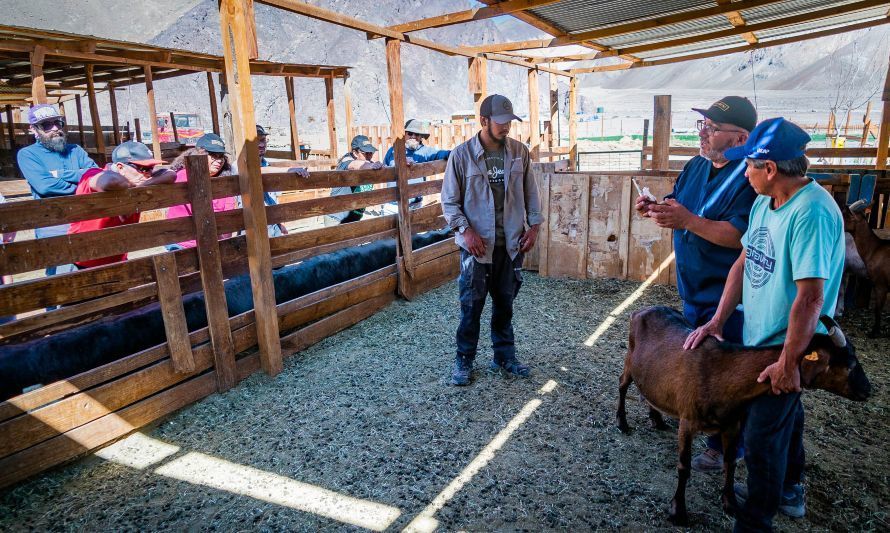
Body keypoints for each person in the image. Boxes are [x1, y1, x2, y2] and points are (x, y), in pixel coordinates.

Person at [685, 117, 844, 531]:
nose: (745, 172)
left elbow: (811, 296)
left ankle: (756, 520)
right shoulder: (762, 203)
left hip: (796, 343)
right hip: (761, 339)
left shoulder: (811, 213)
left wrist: (790, 362)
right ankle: (789, 490)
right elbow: (743, 261)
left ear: (770, 169)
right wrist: (717, 320)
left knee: (760, 436)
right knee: (783, 418)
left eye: (749, 165)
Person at [636, 96, 758, 472]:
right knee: (702, 365)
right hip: (693, 289)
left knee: (728, 372)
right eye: (702, 125)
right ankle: (707, 427)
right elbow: (680, 202)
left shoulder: (751, 178)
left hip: (728, 295)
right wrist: (658, 207)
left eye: (712, 127)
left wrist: (687, 221)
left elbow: (740, 235)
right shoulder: (695, 166)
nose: (702, 133)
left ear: (740, 139)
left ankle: (725, 448)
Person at [441, 94, 543, 386]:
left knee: (505, 303)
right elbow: (449, 202)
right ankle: (464, 360)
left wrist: (533, 227)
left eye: (509, 122)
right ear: (483, 121)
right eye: (500, 122)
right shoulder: (461, 155)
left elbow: (532, 193)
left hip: (510, 245)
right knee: (471, 306)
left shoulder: (520, 153)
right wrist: (465, 230)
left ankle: (504, 356)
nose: (506, 128)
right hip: (477, 247)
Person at [16, 104, 98, 275]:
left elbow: (96, 174)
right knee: (61, 280)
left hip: (86, 221)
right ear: (34, 130)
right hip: (54, 225)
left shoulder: (76, 150)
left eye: (58, 123)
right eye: (46, 125)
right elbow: (45, 186)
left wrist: (60, 174)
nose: (55, 128)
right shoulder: (27, 154)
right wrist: (82, 183)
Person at [68, 142, 175, 268]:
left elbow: (170, 174)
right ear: (120, 167)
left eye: (150, 169)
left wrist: (142, 185)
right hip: (81, 262)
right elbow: (110, 182)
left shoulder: (140, 180)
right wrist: (134, 185)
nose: (148, 174)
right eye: (142, 169)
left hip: (117, 259)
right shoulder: (93, 174)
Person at [165, 133, 239, 249]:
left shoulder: (224, 180)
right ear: (199, 154)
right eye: (213, 155)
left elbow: (228, 211)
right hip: (184, 242)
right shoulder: (184, 176)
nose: (219, 160)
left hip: (215, 241)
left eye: (221, 156)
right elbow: (201, 213)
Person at [382, 119, 450, 209]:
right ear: (404, 135)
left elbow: (441, 154)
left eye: (417, 134)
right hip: (392, 205)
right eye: (410, 133)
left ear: (421, 137)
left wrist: (456, 153)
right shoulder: (392, 151)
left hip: (415, 205)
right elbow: (384, 170)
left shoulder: (425, 151)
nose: (413, 136)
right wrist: (400, 162)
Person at [325, 135, 384, 226]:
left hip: (353, 218)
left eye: (371, 153)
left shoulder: (368, 164)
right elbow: (354, 165)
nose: (369, 156)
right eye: (365, 153)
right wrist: (371, 166)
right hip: (337, 218)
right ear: (355, 153)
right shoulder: (346, 161)